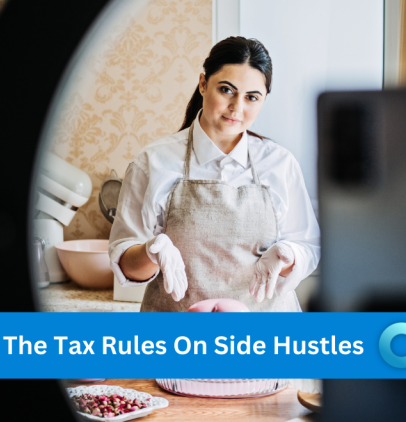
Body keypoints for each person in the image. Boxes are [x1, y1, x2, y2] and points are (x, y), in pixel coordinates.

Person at [108, 36, 320, 312]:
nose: (237, 108)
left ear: (264, 99)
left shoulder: (280, 163)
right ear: (203, 84)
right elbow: (125, 266)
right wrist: (151, 251)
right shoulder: (153, 162)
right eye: (226, 90)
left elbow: (308, 247)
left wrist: (288, 255)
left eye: (252, 97)